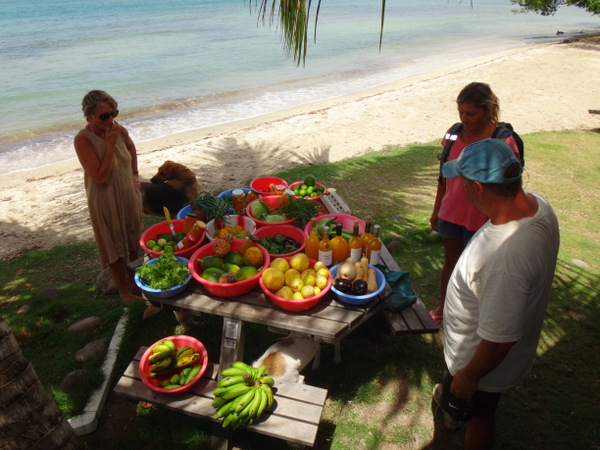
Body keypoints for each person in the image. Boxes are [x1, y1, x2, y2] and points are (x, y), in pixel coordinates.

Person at [432, 138, 560, 449]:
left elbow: (500, 339)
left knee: (480, 418)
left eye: (462, 181)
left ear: (477, 187)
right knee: (472, 406)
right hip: (482, 356)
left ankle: (456, 407)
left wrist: (470, 375)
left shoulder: (505, 258)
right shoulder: (539, 206)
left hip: (480, 365)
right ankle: (451, 401)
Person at [429, 82, 521, 322]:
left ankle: (472, 316)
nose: (464, 119)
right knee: (451, 263)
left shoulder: (502, 142)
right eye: (460, 112)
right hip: (451, 213)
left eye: (471, 113)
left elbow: (509, 186)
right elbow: (444, 178)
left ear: (488, 110)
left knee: (478, 271)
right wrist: (436, 210)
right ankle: (443, 307)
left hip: (483, 218)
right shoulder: (453, 135)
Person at [74, 90, 144, 305]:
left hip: (127, 193)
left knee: (132, 237)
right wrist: (111, 144)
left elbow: (131, 147)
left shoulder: (118, 129)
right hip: (105, 199)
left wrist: (134, 173)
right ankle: (124, 292)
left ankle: (135, 284)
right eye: (104, 116)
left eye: (114, 113)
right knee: (113, 245)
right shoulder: (83, 140)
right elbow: (101, 177)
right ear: (89, 116)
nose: (110, 119)